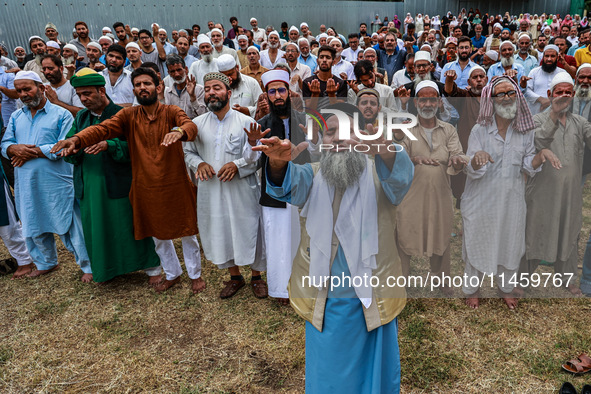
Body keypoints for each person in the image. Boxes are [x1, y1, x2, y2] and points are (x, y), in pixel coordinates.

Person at [255, 101, 413, 393]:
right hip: (324, 300)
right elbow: (285, 186)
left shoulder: (381, 173)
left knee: (375, 375)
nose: (338, 139)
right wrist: (277, 162)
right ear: (321, 142)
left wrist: (384, 150)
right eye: (329, 133)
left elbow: (401, 178)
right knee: (329, 374)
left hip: (373, 294)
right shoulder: (312, 174)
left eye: (347, 131)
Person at [51, 67, 203, 293]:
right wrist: (76, 139)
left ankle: (195, 275)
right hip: (145, 185)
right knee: (157, 234)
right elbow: (102, 129)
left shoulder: (172, 111)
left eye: (147, 84)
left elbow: (190, 124)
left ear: (158, 87)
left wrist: (180, 131)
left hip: (175, 182)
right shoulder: (128, 115)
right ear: (134, 90)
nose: (143, 88)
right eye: (138, 85)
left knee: (187, 230)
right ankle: (172, 274)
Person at [461, 76, 559, 310]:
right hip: (481, 198)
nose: (506, 98)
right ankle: (472, 289)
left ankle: (505, 288)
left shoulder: (525, 130)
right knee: (476, 240)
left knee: (510, 242)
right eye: (500, 94)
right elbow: (471, 169)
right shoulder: (480, 130)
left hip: (512, 198)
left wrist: (540, 156)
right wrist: (476, 159)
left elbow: (527, 166)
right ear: (491, 100)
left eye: (510, 93)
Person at [62, 68, 161, 284]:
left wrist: (109, 144)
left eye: (87, 93)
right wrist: (71, 148)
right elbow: (72, 138)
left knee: (129, 224)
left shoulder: (123, 114)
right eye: (79, 95)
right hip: (89, 183)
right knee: (98, 228)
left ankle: (152, 269)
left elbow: (137, 147)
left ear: (102, 90)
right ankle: (107, 269)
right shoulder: (81, 117)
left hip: (118, 181)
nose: (83, 99)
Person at [2, 71, 92, 282]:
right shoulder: (16, 117)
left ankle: (88, 265)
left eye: (28, 89)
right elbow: (5, 144)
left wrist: (29, 152)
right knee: (33, 223)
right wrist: (14, 148)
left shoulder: (61, 115)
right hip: (25, 182)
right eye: (19, 90)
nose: (23, 94)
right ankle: (46, 262)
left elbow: (63, 146)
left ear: (41, 88)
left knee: (70, 225)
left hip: (56, 181)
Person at [184, 72, 266, 299]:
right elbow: (188, 151)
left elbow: (258, 157)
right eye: (208, 89)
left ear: (228, 93)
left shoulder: (247, 122)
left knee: (250, 229)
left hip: (242, 191)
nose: (212, 93)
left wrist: (237, 165)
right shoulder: (197, 125)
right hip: (212, 190)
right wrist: (198, 163)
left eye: (217, 88)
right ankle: (235, 277)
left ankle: (257, 277)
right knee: (221, 231)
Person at [243, 69, 317, 304]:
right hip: (274, 191)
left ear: (289, 93)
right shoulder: (261, 125)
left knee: (307, 240)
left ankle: (307, 285)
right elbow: (251, 161)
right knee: (278, 242)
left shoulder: (306, 120)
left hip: (304, 190)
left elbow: (318, 154)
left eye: (281, 90)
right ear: (266, 95)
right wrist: (252, 143)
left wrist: (314, 141)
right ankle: (282, 289)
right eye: (272, 91)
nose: (278, 95)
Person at [394, 80, 468, 295]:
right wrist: (413, 159)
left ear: (438, 101)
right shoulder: (405, 128)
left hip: (440, 193)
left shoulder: (448, 130)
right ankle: (401, 284)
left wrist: (457, 160)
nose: (427, 104)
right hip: (410, 194)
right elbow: (397, 155)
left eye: (432, 99)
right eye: (423, 99)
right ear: (416, 102)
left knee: (441, 234)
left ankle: (443, 282)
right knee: (405, 234)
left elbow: (457, 152)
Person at [520, 72, 589, 297]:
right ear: (550, 94)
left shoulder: (580, 122)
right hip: (542, 190)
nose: (563, 96)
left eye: (568, 93)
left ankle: (566, 279)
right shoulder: (538, 119)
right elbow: (538, 141)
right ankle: (523, 280)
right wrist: (553, 113)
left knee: (569, 231)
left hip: (570, 192)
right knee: (535, 230)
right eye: (559, 92)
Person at [444, 66, 488, 204]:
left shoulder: (494, 97)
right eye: (475, 78)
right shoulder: (465, 96)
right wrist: (449, 79)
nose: (479, 80)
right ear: (469, 82)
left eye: (481, 77)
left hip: (489, 146)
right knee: (466, 185)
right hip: (467, 145)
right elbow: (451, 91)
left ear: (486, 80)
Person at [302, 46, 348, 110]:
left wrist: (332, 95)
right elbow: (309, 111)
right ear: (317, 61)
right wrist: (315, 95)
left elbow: (339, 111)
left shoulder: (341, 83)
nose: (324, 60)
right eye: (321, 57)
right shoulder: (308, 82)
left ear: (333, 62)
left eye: (328, 57)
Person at [522, 45, 564, 114]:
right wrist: (541, 99)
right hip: (536, 111)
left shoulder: (562, 73)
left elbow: (566, 93)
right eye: (547, 56)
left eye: (552, 56)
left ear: (557, 57)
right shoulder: (534, 72)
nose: (549, 59)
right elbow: (527, 90)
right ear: (543, 57)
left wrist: (550, 102)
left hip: (557, 111)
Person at [164, 54, 206, 118]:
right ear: (169, 73)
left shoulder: (199, 90)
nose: (176, 74)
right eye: (172, 71)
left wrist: (193, 97)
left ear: (186, 69)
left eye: (179, 70)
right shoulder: (167, 92)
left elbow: (203, 116)